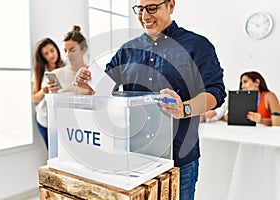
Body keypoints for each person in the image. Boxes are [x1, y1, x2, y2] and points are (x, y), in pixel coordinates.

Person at [74, 0, 226, 199]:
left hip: (179, 158)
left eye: (152, 8)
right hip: (133, 158)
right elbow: (105, 89)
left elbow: (216, 91)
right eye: (140, 9)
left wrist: (185, 109)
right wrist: (87, 87)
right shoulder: (127, 50)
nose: (145, 16)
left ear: (170, 5)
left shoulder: (198, 45)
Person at [32, 38, 64, 149]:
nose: (51, 55)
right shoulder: (39, 72)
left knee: (63, 152)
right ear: (42, 57)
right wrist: (44, 90)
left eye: (52, 50)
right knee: (51, 152)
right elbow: (35, 99)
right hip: (43, 120)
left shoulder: (66, 68)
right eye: (46, 53)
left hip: (62, 119)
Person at [51, 25, 89, 93]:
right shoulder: (56, 74)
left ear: (84, 50)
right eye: (65, 51)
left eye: (73, 50)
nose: (67, 55)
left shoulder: (92, 75)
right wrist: (51, 92)